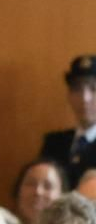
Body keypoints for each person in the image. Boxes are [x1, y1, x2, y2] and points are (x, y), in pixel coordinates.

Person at [37, 55, 96, 190]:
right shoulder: (54, 142)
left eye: (93, 89)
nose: (85, 98)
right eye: (77, 89)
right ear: (69, 95)